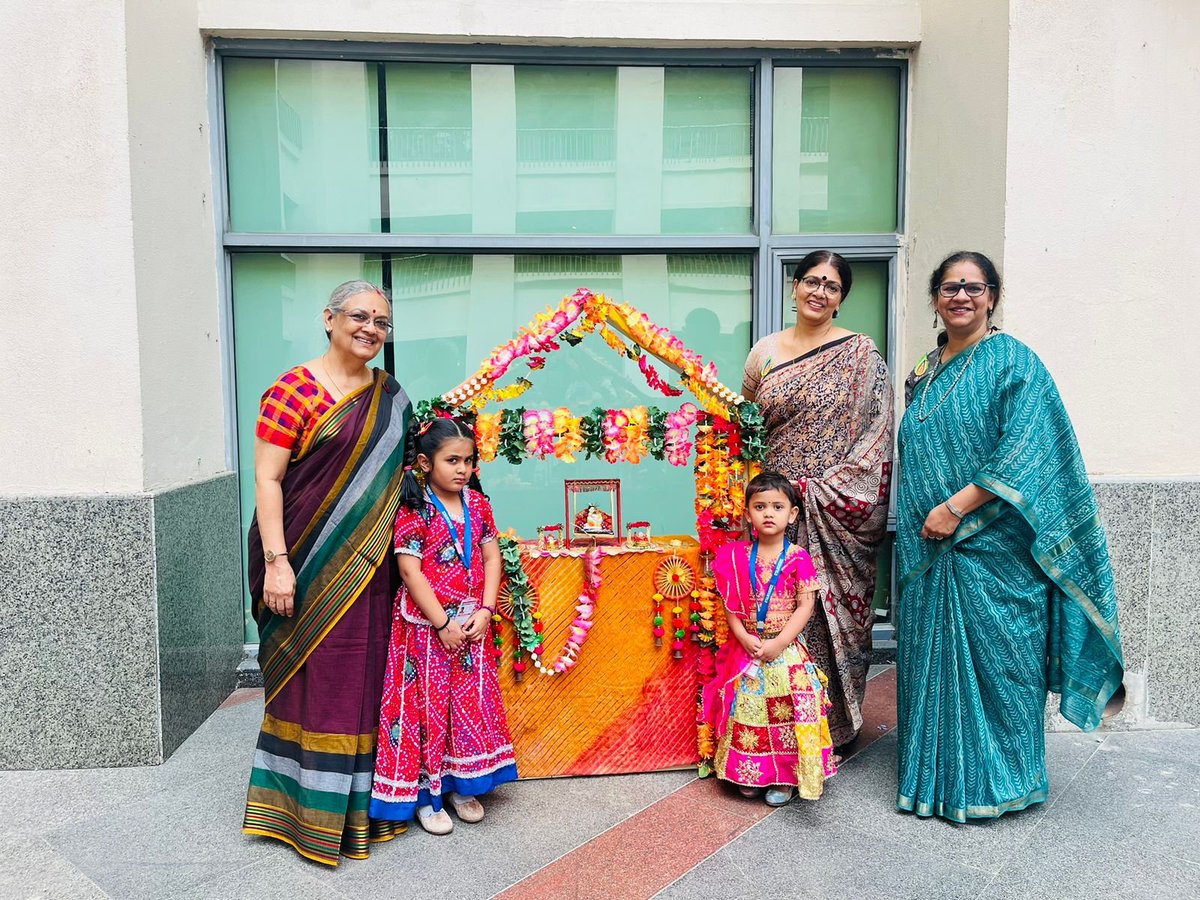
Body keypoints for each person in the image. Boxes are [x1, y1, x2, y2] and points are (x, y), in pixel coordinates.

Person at [895, 250, 1123, 822]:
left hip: (993, 548)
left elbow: (1026, 451)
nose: (962, 297)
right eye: (950, 287)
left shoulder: (1014, 361)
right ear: (935, 299)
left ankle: (1000, 784)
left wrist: (956, 507)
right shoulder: (923, 372)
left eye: (975, 287)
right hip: (927, 547)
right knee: (929, 661)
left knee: (1003, 666)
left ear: (992, 297)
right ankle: (935, 780)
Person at [242, 280, 410, 866]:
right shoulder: (294, 389)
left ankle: (361, 809)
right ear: (329, 319)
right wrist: (277, 564)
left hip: (368, 565)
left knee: (362, 678)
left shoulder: (390, 396)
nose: (370, 328)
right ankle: (300, 812)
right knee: (309, 678)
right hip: (300, 555)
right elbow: (267, 480)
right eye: (359, 316)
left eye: (381, 322)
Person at [742, 250, 894, 752]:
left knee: (827, 617)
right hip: (772, 513)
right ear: (794, 287)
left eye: (832, 286)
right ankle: (771, 729)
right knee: (771, 613)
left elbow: (876, 432)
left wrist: (820, 491)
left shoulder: (860, 354)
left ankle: (832, 726)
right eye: (812, 280)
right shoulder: (764, 352)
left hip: (835, 512)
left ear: (841, 298)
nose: (819, 291)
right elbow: (745, 433)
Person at [370, 416, 517, 835]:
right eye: (452, 460)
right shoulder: (416, 510)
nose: (462, 469)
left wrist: (486, 611)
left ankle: (460, 784)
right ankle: (426, 794)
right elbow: (410, 572)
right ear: (424, 463)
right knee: (427, 709)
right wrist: (441, 624)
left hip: (471, 626)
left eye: (468, 461)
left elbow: (492, 558)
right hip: (426, 630)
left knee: (465, 708)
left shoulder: (479, 505)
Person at [700, 472, 837, 805]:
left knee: (790, 711)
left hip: (784, 648)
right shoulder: (735, 556)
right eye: (760, 506)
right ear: (747, 513)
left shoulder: (798, 558)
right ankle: (752, 772)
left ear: (792, 514)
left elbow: (806, 606)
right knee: (749, 711)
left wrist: (779, 644)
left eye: (777, 506)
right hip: (748, 648)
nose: (768, 513)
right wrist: (743, 636)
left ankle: (786, 778)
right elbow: (730, 603)